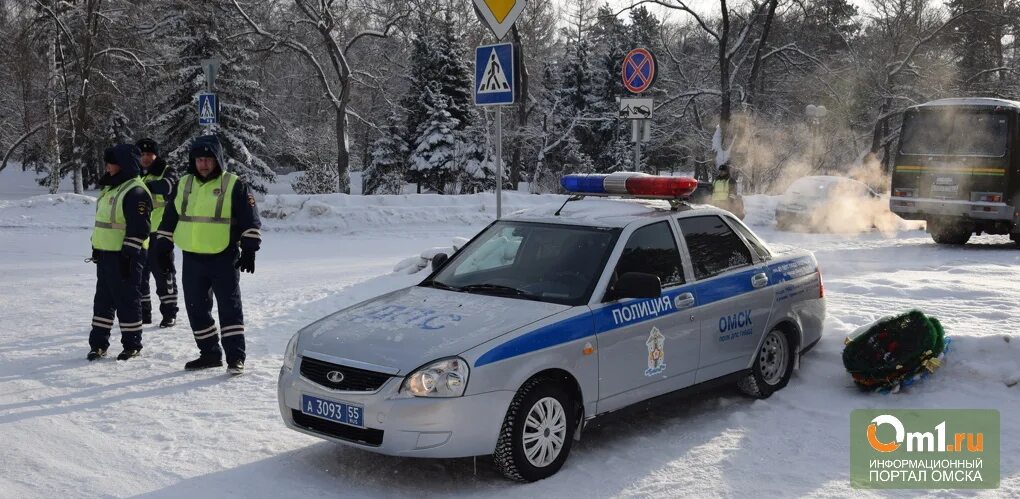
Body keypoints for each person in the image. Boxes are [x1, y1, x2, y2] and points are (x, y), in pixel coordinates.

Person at [155, 135, 261, 374]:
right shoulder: (184, 184)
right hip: (192, 258)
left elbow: (250, 220)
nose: (203, 164)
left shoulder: (235, 184)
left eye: (208, 159)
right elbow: (170, 219)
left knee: (229, 308)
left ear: (218, 160)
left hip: (224, 256)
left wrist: (250, 250)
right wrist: (162, 247)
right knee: (196, 308)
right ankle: (210, 353)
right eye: (199, 159)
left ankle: (236, 358)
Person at [87, 144, 152, 361]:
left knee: (127, 300)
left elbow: (140, 227)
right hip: (106, 255)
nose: (107, 166)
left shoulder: (136, 190)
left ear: (123, 164)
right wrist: (97, 248)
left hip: (126, 256)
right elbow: (104, 224)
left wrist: (128, 254)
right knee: (103, 301)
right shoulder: (111, 188)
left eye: (110, 162)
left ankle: (132, 344)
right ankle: (98, 344)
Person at [136, 138, 179, 328]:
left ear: (156, 155)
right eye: (142, 155)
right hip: (139, 232)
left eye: (148, 154)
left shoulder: (166, 169)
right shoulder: (134, 172)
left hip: (160, 231)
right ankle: (144, 313)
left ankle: (169, 313)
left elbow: (169, 187)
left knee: (164, 273)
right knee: (139, 275)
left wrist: (143, 187)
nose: (145, 158)